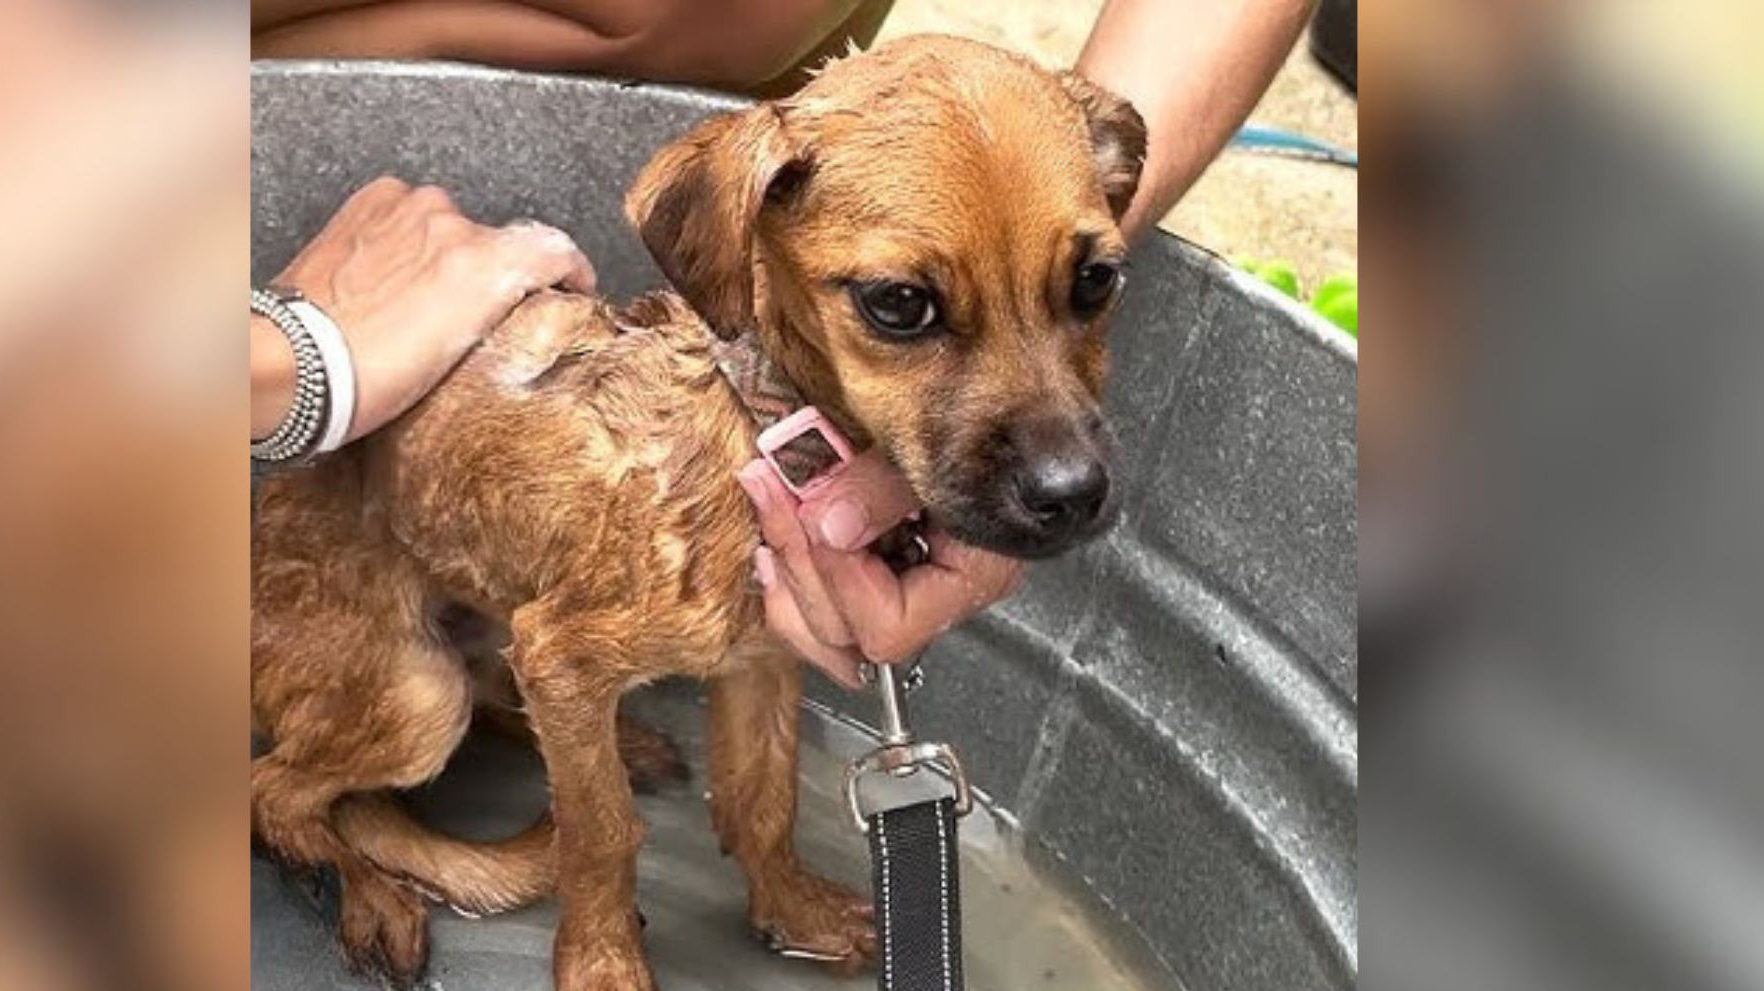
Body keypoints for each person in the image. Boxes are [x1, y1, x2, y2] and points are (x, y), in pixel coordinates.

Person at [250, 0, 1317, 682]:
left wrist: (1058, 212)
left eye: (1088, 287)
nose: (1065, 464)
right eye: (907, 308)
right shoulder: (752, 205)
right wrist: (282, 367)